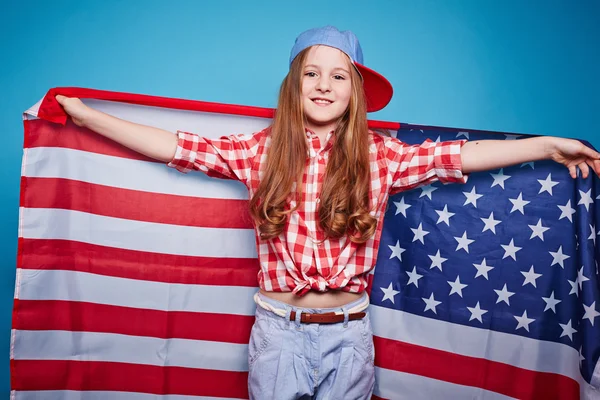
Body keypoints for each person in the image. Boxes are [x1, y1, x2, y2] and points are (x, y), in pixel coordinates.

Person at [55, 26, 600, 400]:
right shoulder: (261, 150)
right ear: (295, 85)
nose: (323, 85)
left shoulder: (379, 156)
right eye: (312, 74)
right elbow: (176, 146)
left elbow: (460, 156)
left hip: (350, 333)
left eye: (338, 76)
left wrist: (546, 145)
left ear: (355, 91)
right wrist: (86, 119)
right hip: (277, 334)